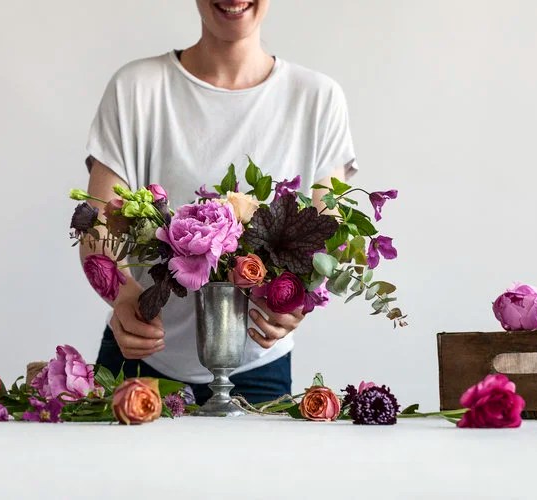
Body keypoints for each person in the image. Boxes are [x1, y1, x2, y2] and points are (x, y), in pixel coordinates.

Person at [81, 0, 358, 405]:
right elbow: (96, 224)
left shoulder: (316, 98)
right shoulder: (136, 88)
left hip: (256, 366)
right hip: (142, 355)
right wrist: (123, 298)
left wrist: (296, 300)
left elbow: (328, 235)